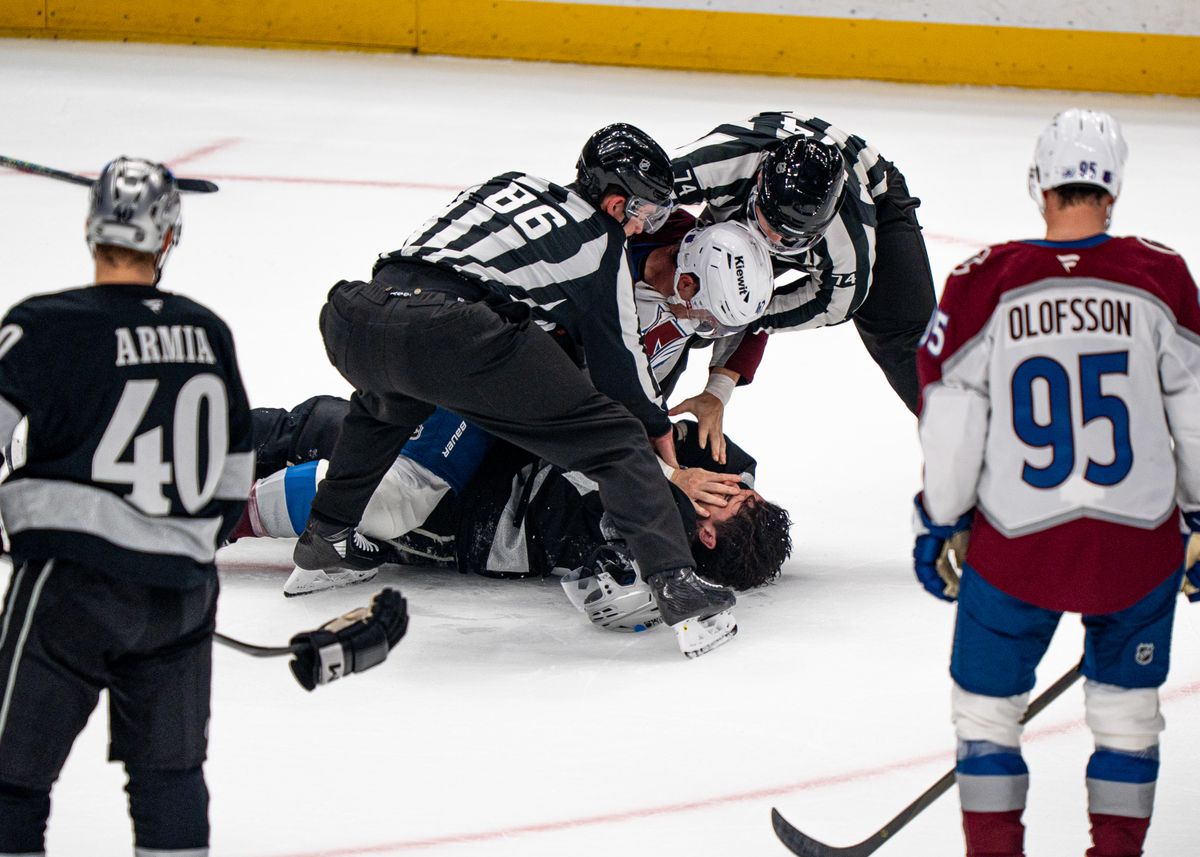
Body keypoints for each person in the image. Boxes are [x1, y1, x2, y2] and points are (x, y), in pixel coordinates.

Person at [293, 123, 737, 657]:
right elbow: (620, 368)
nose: (649, 225)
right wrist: (657, 428)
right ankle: (679, 588)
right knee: (616, 439)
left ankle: (326, 539)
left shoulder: (510, 182)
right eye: (649, 213)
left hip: (355, 318)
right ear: (618, 202)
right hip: (451, 332)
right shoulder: (603, 242)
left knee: (385, 407)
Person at [912, 109, 1200, 857]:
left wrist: (941, 518)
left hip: (1017, 545)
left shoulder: (985, 280)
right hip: (1138, 545)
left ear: (1039, 183)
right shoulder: (1161, 276)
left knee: (984, 712)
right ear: (1114, 189)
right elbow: (1197, 414)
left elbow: (950, 419)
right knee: (1128, 714)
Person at [0, 158, 254, 857]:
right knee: (169, 776)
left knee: (11, 781)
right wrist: (177, 549)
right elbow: (233, 473)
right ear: (166, 237)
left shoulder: (40, 325)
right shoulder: (207, 332)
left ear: (91, 229)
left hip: (69, 586)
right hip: (181, 592)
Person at [670, 111, 937, 440]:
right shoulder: (722, 163)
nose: (776, 243)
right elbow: (641, 189)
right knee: (678, 282)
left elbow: (832, 305)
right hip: (750, 189)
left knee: (908, 348)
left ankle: (971, 444)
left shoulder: (848, 242)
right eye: (771, 225)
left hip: (874, 191)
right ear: (757, 185)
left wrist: (741, 318)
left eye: (794, 238)